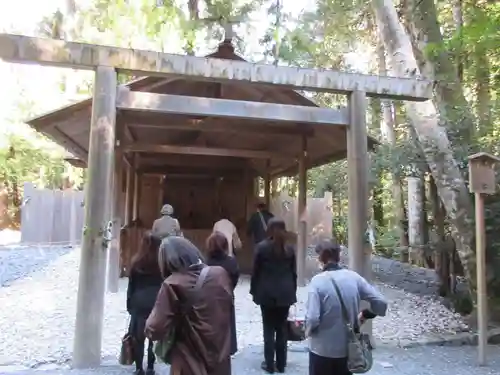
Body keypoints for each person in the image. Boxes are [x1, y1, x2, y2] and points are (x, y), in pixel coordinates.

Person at [145, 236, 233, 375]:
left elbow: (154, 328)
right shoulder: (220, 274)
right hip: (220, 359)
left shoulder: (172, 284)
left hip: (188, 362)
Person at [305, 239, 388, 375]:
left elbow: (313, 318)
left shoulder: (317, 282)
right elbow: (381, 302)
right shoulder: (354, 277)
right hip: (348, 349)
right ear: (339, 256)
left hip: (321, 349)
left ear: (320, 258)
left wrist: (306, 331)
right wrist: (366, 314)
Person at [250, 218, 297, 374]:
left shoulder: (261, 248)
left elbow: (255, 273)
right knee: (282, 328)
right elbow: (293, 273)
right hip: (285, 292)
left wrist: (253, 291)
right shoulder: (289, 249)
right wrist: (293, 292)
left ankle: (269, 364)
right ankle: (281, 364)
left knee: (268, 329)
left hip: (266, 292)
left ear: (268, 229)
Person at [126, 232, 164, 375]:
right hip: (157, 301)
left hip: (139, 301)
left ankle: (138, 368)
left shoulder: (136, 263)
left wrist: (130, 305)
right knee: (153, 336)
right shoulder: (161, 263)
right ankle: (150, 367)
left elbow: (131, 286)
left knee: (138, 337)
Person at [205, 231, 240, 356]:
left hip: (208, 298)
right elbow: (235, 278)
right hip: (227, 297)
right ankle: (228, 347)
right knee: (227, 324)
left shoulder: (205, 263)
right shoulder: (231, 262)